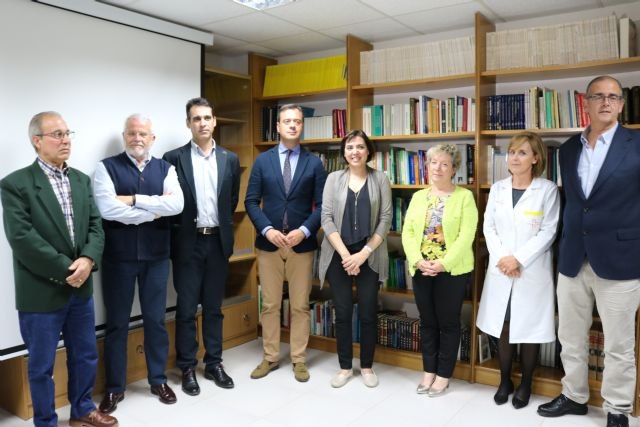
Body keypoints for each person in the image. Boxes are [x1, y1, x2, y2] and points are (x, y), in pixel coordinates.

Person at [0, 111, 117, 427]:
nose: (66, 140)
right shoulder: (15, 185)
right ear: (36, 141)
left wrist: (89, 259)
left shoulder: (80, 179)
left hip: (81, 289)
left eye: (68, 133)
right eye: (57, 134)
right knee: (41, 366)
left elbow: (95, 225)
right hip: (41, 291)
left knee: (85, 355)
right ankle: (46, 421)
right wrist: (69, 269)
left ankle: (81, 410)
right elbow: (23, 240)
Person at [537, 76, 640, 427]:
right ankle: (574, 396)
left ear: (621, 105)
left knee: (619, 344)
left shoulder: (637, 144)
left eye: (614, 97)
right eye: (599, 96)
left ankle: (617, 409)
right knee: (570, 335)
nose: (606, 102)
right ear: (587, 102)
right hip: (573, 257)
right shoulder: (567, 149)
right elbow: (576, 202)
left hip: (622, 260)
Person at [94, 115, 184, 413]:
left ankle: (157, 380)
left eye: (142, 133)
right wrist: (154, 209)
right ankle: (114, 388)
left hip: (156, 257)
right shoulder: (106, 167)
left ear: (152, 138)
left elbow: (176, 205)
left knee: (156, 321)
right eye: (131, 133)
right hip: (118, 259)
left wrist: (132, 200)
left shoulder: (166, 168)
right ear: (124, 136)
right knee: (117, 324)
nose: (137, 138)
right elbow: (107, 210)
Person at [476, 132, 560, 409]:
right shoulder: (498, 189)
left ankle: (525, 384)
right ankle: (504, 380)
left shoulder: (547, 190)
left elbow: (548, 231)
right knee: (504, 325)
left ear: (536, 158)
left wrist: (518, 260)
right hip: (502, 269)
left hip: (530, 270)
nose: (514, 157)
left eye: (522, 152)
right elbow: (489, 227)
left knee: (530, 329)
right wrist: (503, 259)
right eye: (512, 152)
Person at [163, 97, 240, 395]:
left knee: (213, 308)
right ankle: (186, 367)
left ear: (215, 121)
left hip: (217, 242)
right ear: (188, 123)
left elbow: (230, 201)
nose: (203, 123)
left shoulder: (229, 159)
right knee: (185, 309)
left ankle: (214, 364)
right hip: (188, 243)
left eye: (207, 118)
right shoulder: (173, 158)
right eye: (196, 119)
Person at [245, 104, 326, 382]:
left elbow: (323, 206)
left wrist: (304, 230)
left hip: (300, 246)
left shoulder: (314, 163)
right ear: (278, 126)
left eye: (297, 122)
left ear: (302, 126)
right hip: (269, 245)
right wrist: (267, 229)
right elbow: (251, 201)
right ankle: (269, 358)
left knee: (301, 306)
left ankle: (299, 360)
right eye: (287, 121)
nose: (292, 126)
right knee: (269, 304)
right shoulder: (262, 161)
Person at [401, 143, 478, 397]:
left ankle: (443, 375)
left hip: (451, 271)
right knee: (427, 323)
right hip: (422, 268)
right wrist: (417, 259)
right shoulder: (419, 196)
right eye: (434, 162)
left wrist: (443, 263)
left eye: (445, 164)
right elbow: (409, 232)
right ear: (428, 165)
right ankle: (428, 372)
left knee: (448, 323)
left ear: (453, 169)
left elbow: (467, 236)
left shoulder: (464, 197)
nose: (438, 168)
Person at [318, 130, 392, 388]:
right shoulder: (332, 179)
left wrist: (363, 254)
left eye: (360, 147)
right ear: (344, 152)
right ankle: (345, 367)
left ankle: (367, 366)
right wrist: (346, 255)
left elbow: (385, 219)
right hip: (339, 253)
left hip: (369, 255)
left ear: (368, 151)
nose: (355, 152)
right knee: (343, 312)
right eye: (350, 147)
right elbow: (326, 218)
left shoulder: (380, 178)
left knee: (369, 312)